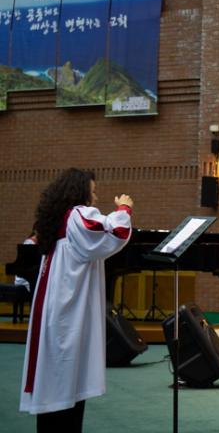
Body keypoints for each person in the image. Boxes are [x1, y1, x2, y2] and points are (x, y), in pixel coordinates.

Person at [20, 169, 133, 432]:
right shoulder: (77, 215)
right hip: (66, 313)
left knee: (55, 377)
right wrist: (124, 208)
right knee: (65, 375)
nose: (94, 197)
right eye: (92, 192)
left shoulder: (59, 220)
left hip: (55, 306)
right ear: (78, 193)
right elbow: (114, 231)